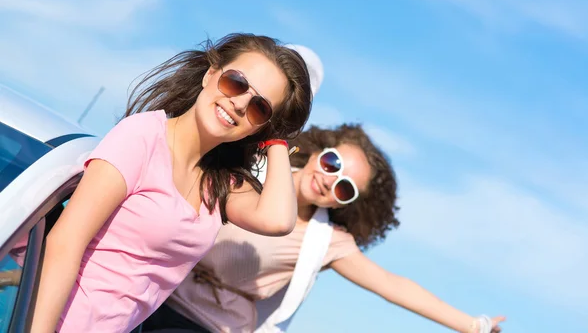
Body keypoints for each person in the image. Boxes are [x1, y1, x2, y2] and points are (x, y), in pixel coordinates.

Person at [29, 33, 313, 333]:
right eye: (236, 82)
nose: (240, 104)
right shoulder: (143, 137)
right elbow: (65, 243)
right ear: (210, 74)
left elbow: (278, 220)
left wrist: (276, 138)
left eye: (260, 107)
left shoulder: (219, 184)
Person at [141, 125, 506, 333]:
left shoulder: (327, 241)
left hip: (206, 325)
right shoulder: (254, 163)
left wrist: (473, 325)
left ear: (347, 203)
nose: (329, 180)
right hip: (153, 284)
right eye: (333, 163)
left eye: (345, 187)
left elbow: (392, 286)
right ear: (318, 152)